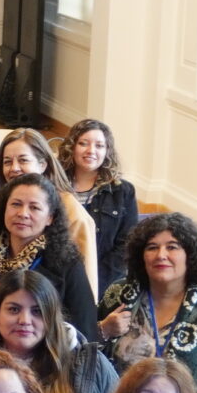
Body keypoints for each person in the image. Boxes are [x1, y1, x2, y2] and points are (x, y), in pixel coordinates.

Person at [96, 213, 197, 393]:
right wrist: (103, 330)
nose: (161, 255)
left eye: (172, 247)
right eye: (152, 247)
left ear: (190, 255)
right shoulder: (118, 295)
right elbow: (85, 352)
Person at [0, 172, 100, 336]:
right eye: (16, 204)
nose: (23, 213)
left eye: (34, 207)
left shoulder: (67, 265)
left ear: (50, 218)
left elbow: (85, 331)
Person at [0, 129, 101, 300]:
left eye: (23, 160)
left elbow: (85, 287)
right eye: (7, 162)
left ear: (42, 165)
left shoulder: (73, 213)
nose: (14, 168)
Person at [64, 120, 139, 294]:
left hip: (105, 281)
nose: (91, 151)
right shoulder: (54, 186)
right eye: (83, 143)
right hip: (60, 277)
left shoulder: (123, 191)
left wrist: (94, 282)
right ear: (71, 147)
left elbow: (127, 245)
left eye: (99, 146)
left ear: (107, 151)